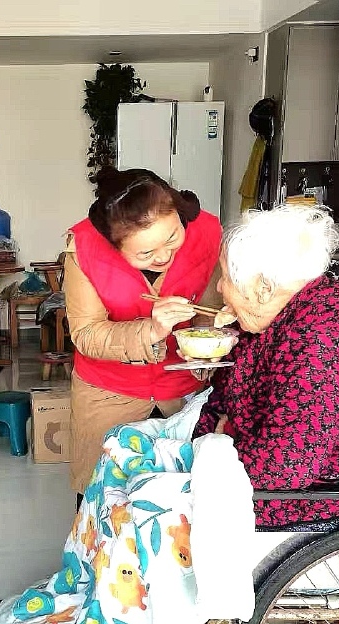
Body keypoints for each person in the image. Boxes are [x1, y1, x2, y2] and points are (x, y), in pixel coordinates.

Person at [193, 205, 339, 528]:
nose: (220, 288)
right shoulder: (284, 311)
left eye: (225, 277)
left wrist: (219, 450)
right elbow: (231, 389)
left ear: (264, 288)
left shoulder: (322, 341)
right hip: (265, 467)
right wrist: (210, 438)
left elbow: (286, 465)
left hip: (315, 495)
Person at [64, 167, 222, 498]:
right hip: (108, 391)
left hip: (183, 390)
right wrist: (151, 329)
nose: (163, 256)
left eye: (172, 238)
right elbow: (86, 333)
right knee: (103, 495)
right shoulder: (85, 248)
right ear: (114, 246)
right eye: (145, 254)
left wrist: (203, 350)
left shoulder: (207, 231)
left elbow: (209, 307)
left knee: (180, 497)